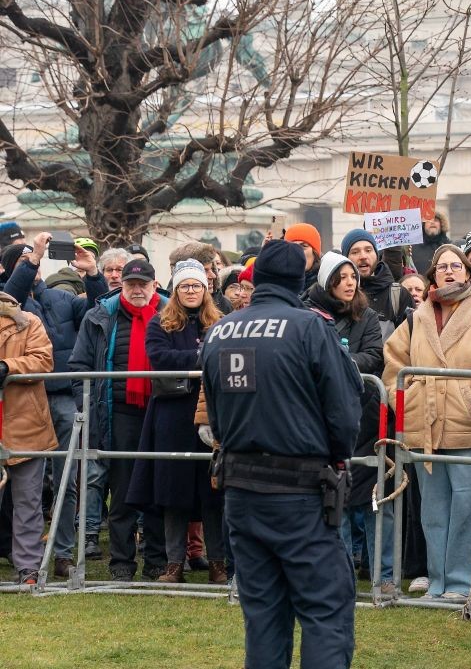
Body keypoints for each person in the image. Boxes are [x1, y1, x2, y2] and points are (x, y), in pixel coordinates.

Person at [200, 240, 361, 669]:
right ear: (301, 281)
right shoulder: (310, 327)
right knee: (325, 610)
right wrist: (340, 456)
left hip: (240, 490)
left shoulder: (219, 331)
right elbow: (344, 411)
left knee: (264, 616)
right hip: (301, 492)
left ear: (255, 279)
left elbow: (215, 415)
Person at [380, 243, 471, 600]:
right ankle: (439, 583)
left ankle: (469, 584)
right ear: (432, 274)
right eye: (442, 267)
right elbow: (394, 366)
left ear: (468, 273)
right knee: (434, 511)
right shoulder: (415, 317)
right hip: (425, 428)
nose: (449, 272)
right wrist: (403, 402)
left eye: (456, 266)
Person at [3, 233, 109, 574]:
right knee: (22, 487)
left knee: (67, 479)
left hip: (61, 398)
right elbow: (14, 291)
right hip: (19, 402)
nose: (31, 265)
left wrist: (93, 274)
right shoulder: (9, 304)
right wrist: (32, 255)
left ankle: (62, 552)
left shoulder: (62, 300)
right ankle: (16, 550)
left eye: (33, 261)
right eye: (22, 263)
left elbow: (100, 310)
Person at [66, 256, 169, 581]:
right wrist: (93, 399)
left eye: (143, 284)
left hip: (161, 410)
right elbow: (79, 366)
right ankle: (122, 563)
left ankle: (158, 562)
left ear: (154, 285)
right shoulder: (99, 317)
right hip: (118, 412)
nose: (137, 290)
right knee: (123, 491)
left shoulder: (171, 314)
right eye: (131, 284)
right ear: (121, 286)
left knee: (158, 489)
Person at [126, 260, 227, 585]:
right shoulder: (161, 323)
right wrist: (202, 357)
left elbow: (225, 358)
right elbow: (159, 358)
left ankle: (218, 563)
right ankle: (174, 564)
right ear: (176, 289)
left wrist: (196, 358)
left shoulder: (220, 322)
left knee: (212, 492)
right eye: (185, 285)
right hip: (170, 415)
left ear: (205, 289)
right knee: (172, 493)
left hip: (211, 413)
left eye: (196, 285)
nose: (191, 290)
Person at [305, 252, 390, 594]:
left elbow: (374, 356)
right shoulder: (308, 315)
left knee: (373, 500)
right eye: (341, 277)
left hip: (362, 417)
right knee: (332, 501)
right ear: (327, 281)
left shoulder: (367, 316)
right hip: (320, 419)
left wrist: (337, 360)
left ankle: (382, 576)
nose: (349, 283)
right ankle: (338, 577)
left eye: (352, 277)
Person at [0, 291, 61, 586]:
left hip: (27, 425)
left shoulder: (29, 322)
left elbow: (42, 361)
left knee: (27, 502)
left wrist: (8, 367)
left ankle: (28, 569)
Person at [341, 228, 415, 332]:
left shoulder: (398, 295)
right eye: (355, 252)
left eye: (368, 250)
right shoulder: (338, 294)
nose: (363, 256)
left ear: (376, 255)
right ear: (346, 258)